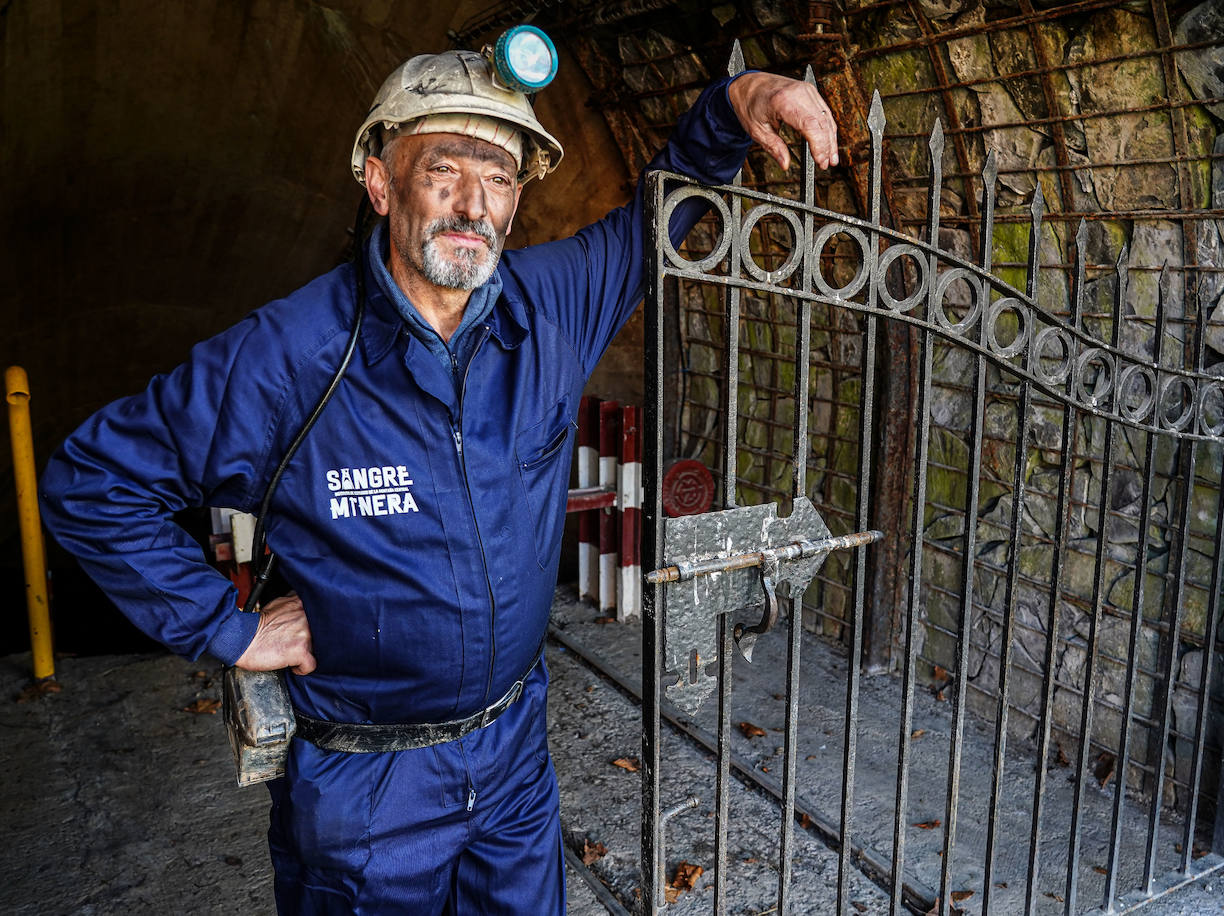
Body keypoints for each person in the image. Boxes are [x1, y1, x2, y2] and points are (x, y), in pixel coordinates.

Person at [39, 40, 837, 915]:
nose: (472, 204)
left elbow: (664, 200)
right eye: (443, 169)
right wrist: (224, 629)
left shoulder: (551, 306)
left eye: (497, 177)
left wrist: (736, 104)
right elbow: (94, 482)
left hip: (512, 764)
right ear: (382, 185)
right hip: (364, 788)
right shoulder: (289, 356)